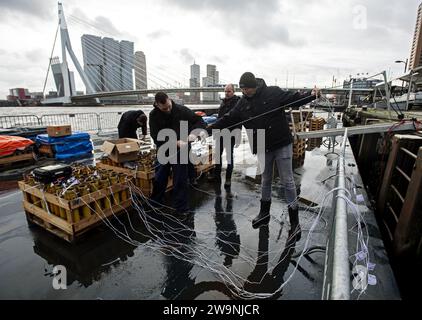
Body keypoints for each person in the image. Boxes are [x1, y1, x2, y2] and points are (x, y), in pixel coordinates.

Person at [209, 72, 320, 232]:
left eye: (246, 88)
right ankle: (264, 213)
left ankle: (294, 221)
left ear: (253, 86)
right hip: (262, 145)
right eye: (242, 89)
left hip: (281, 142)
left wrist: (312, 95)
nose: (244, 92)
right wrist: (212, 127)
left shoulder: (273, 92)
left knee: (287, 181)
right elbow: (230, 117)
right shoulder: (242, 103)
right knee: (265, 179)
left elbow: (295, 98)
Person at [149, 92, 206, 216]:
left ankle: (181, 208)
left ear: (169, 100)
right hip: (164, 150)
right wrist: (175, 142)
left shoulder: (181, 110)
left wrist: (193, 133)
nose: (168, 109)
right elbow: (155, 137)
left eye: (169, 106)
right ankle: (155, 203)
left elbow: (199, 121)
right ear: (157, 105)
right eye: (165, 109)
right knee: (159, 178)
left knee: (180, 179)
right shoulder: (153, 115)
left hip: (181, 152)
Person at [211, 84, 241, 189]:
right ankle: (216, 176)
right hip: (220, 133)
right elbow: (219, 118)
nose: (226, 93)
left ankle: (228, 179)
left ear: (233, 91)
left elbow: (235, 119)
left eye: (229, 91)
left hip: (231, 133)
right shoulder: (223, 102)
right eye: (225, 91)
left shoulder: (237, 103)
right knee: (218, 155)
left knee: (229, 156)